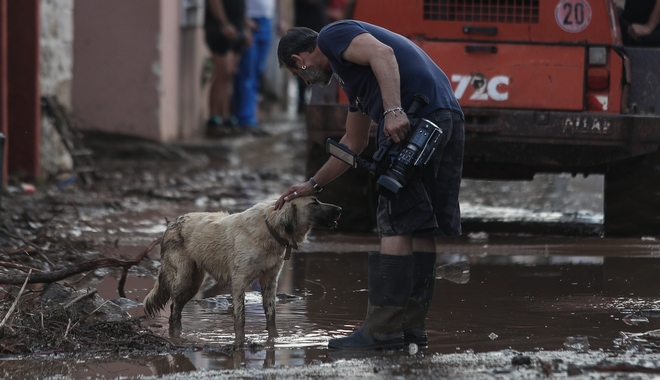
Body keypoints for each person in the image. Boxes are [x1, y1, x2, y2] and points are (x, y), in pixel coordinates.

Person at [274, 21, 465, 350]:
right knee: (419, 225)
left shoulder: (332, 36)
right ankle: (410, 329)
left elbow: (383, 53)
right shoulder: (354, 80)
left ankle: (382, 332)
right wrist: (312, 185)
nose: (305, 81)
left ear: (299, 59)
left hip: (420, 119)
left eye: (298, 75)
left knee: (393, 222)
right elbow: (355, 141)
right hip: (445, 118)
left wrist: (393, 110)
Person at [232, 0, 286, 132]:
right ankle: (244, 117)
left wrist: (281, 18)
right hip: (250, 19)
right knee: (247, 70)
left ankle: (251, 115)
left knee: (258, 71)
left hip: (266, 19)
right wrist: (244, 20)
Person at [204, 0, 250, 137]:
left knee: (230, 74)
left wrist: (246, 28)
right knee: (221, 73)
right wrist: (223, 23)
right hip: (220, 28)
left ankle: (225, 116)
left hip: (237, 26)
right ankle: (214, 117)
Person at [293, 0, 328, 114]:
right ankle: (302, 102)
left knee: (321, 69)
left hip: (320, 30)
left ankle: (316, 104)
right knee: (302, 67)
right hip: (304, 32)